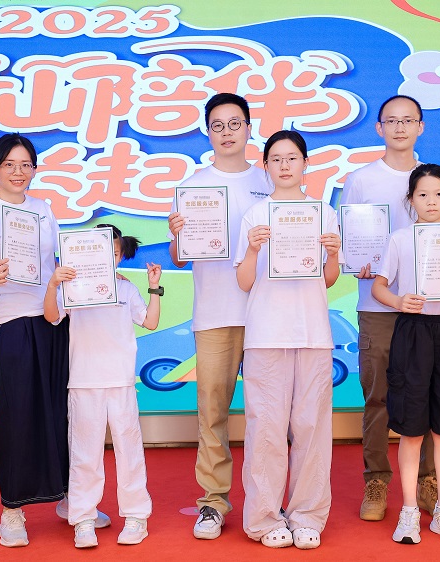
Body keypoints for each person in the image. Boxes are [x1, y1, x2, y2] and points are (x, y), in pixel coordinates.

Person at [0, 133, 94, 547]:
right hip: (13, 323)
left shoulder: (42, 209)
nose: (18, 172)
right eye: (9, 165)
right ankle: (12, 512)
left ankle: (72, 501)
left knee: (63, 412)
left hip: (54, 319)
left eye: (26, 164)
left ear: (34, 169)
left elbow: (56, 264)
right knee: (18, 415)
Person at [339, 94, 440, 520]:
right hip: (377, 307)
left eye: (408, 120)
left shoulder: (434, 178)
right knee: (378, 396)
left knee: (429, 394)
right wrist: (354, 262)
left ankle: (428, 481)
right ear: (379, 127)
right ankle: (376, 481)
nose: (400, 127)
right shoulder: (361, 180)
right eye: (391, 120)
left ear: (421, 126)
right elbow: (346, 237)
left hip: (431, 312)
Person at [167, 92, 271, 539]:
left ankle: (267, 501)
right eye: (217, 125)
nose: (227, 132)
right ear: (207, 132)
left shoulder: (269, 180)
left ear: (249, 128)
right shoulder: (193, 186)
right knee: (212, 412)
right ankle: (213, 501)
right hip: (214, 313)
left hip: (268, 313)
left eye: (235, 123)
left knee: (269, 413)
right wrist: (175, 235)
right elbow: (179, 258)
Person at [234, 130, 341, 550]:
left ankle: (307, 515)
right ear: (265, 165)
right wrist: (252, 250)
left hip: (313, 333)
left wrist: (333, 254)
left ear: (305, 163)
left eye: (292, 157)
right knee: (266, 428)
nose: (284, 165)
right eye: (276, 158)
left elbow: (328, 280)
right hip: (265, 334)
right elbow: (244, 282)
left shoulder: (323, 213)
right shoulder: (255, 215)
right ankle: (263, 518)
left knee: (313, 428)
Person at [371, 164, 440, 545]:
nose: (431, 201)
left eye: (438, 194)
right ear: (411, 200)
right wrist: (399, 301)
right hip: (413, 333)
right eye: (422, 195)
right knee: (411, 429)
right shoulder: (400, 239)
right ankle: (408, 512)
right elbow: (379, 287)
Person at [44, 224, 161, 548]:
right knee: (84, 453)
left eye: (115, 253)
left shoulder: (126, 288)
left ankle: (136, 516)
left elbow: (150, 322)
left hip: (120, 381)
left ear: (120, 255)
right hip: (84, 381)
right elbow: (51, 316)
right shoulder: (73, 287)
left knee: (129, 451)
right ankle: (83, 519)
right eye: (101, 251)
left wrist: (154, 288)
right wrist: (54, 284)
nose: (109, 258)